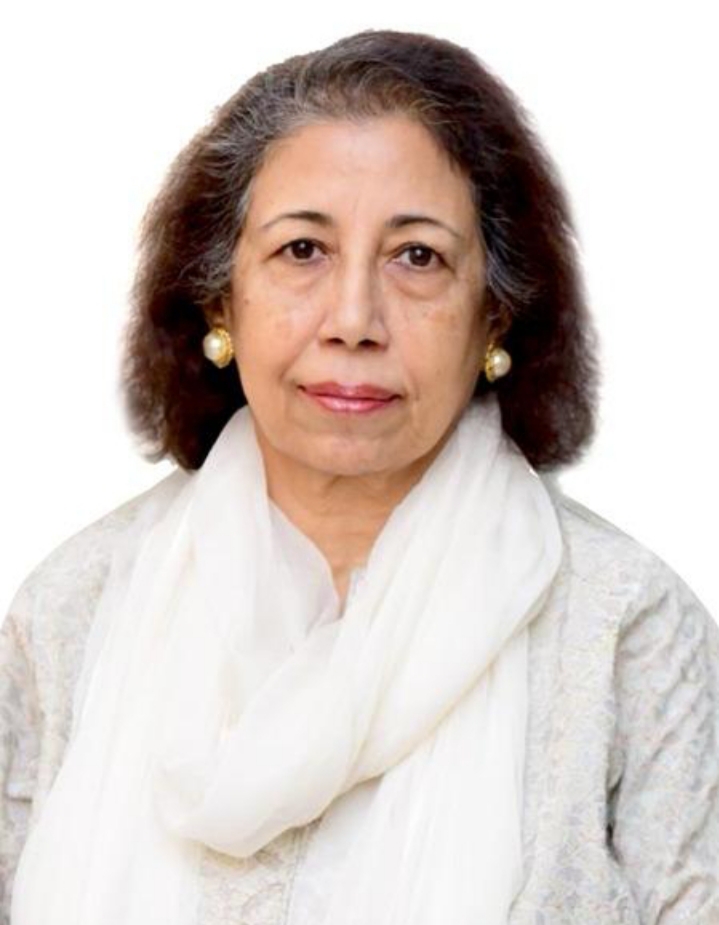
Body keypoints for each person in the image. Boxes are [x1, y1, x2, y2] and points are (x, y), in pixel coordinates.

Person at [1, 27, 717, 925]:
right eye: (302, 249)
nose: (353, 319)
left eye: (416, 256)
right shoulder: (71, 612)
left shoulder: (625, 629)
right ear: (220, 298)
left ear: (494, 314)